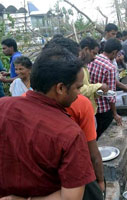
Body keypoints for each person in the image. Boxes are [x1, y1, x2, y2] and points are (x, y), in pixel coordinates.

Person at [0, 47, 95, 199]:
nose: (79, 93)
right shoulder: (69, 133)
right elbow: (70, 198)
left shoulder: (3, 105)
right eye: (77, 87)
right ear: (61, 88)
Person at [43, 36, 106, 198]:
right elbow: (92, 154)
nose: (79, 91)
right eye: (77, 87)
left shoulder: (16, 106)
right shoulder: (80, 104)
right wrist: (100, 181)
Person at [88, 38, 123, 138]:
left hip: (92, 106)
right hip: (103, 109)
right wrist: (115, 114)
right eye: (117, 54)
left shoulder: (94, 58)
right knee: (105, 136)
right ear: (114, 52)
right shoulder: (110, 67)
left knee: (95, 135)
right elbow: (110, 94)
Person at [79, 37, 109, 113]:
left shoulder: (85, 66)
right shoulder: (77, 69)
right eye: (94, 53)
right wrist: (99, 86)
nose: (95, 57)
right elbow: (80, 90)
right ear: (86, 50)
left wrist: (97, 92)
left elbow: (87, 88)